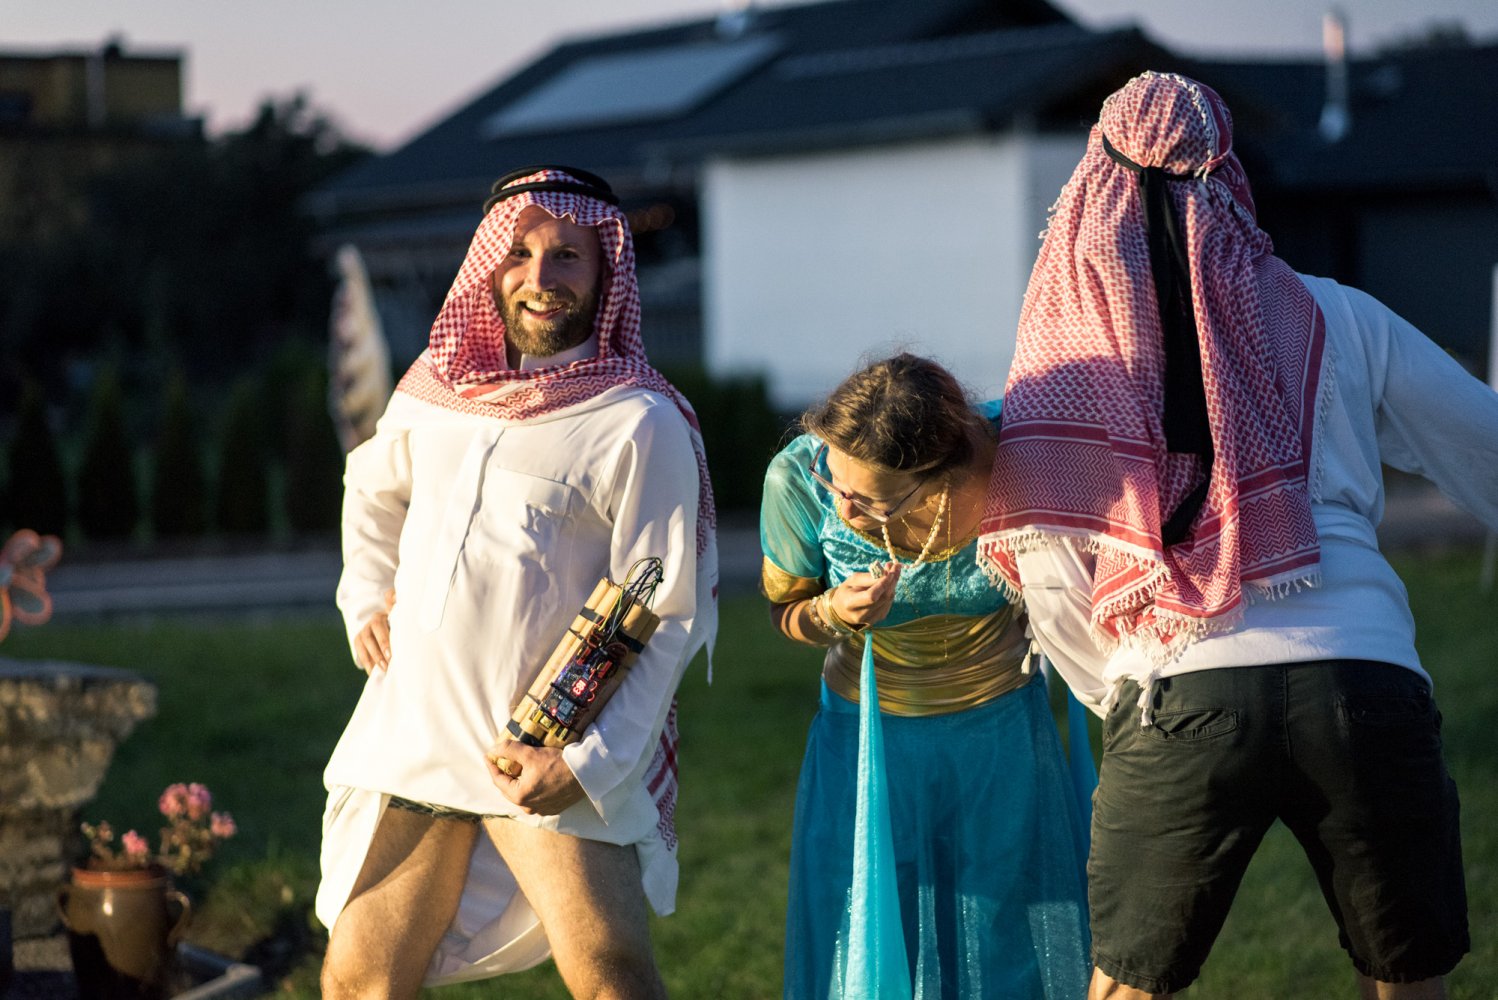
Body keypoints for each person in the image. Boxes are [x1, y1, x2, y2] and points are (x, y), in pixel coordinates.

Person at [978, 72, 1498, 999]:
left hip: (1177, 683)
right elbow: (1484, 446)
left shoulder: (1073, 353)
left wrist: (1124, 691)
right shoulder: (1340, 314)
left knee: (1125, 987)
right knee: (1410, 982)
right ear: (1232, 177)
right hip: (1364, 676)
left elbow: (1051, 565)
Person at [315, 166, 718, 999]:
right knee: (359, 983)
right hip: (415, 738)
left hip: (539, 747)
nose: (541, 276)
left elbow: (667, 613)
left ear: (605, 271)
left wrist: (587, 765)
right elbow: (370, 488)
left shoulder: (636, 420)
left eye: (567, 255)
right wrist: (363, 599)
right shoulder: (435, 393)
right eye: (520, 253)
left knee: (611, 981)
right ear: (489, 264)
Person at [761, 353, 1092, 999]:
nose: (845, 509)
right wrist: (833, 613)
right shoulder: (799, 477)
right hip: (867, 740)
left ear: (937, 478)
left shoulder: (1017, 459)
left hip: (999, 735)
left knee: (1006, 932)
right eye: (837, 482)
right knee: (871, 925)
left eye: (871, 499)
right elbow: (785, 613)